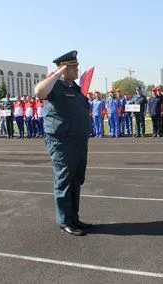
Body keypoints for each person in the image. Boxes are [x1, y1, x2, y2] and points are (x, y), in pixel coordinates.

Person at [34, 50, 92, 236]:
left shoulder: (73, 87)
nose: (77, 70)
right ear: (64, 68)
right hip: (62, 142)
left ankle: (74, 218)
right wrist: (57, 73)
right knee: (64, 181)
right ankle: (65, 221)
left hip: (78, 141)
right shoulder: (55, 85)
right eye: (73, 67)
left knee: (76, 180)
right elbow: (39, 92)